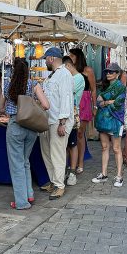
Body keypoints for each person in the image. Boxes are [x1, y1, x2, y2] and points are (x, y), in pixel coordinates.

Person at [0, 59, 50, 210]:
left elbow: (1, 108)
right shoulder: (33, 84)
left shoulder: (8, 85)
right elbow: (46, 105)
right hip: (31, 127)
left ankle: (22, 202)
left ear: (13, 70)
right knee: (24, 161)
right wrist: (34, 106)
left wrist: (7, 109)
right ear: (28, 70)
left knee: (17, 165)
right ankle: (29, 194)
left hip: (15, 125)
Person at [39, 47, 74, 200]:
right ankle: (54, 181)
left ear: (51, 58)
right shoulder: (52, 76)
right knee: (47, 153)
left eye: (45, 58)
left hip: (58, 121)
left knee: (57, 153)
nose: (45, 61)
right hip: (47, 120)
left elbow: (66, 98)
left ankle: (60, 185)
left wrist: (63, 122)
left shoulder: (64, 74)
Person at [91, 63, 126, 187]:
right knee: (105, 147)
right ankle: (104, 174)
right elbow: (99, 102)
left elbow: (117, 103)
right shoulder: (104, 86)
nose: (109, 74)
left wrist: (104, 102)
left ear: (117, 74)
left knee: (116, 148)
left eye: (112, 72)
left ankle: (119, 176)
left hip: (116, 120)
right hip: (103, 122)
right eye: (107, 72)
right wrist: (107, 102)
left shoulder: (121, 86)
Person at [68, 48, 97, 174]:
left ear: (78, 57)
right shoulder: (69, 70)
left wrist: (94, 106)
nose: (70, 58)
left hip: (84, 102)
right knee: (72, 133)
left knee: (80, 133)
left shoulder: (87, 70)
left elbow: (93, 89)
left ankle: (80, 162)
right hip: (72, 102)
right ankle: (72, 162)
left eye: (72, 56)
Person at [63, 56, 85, 181]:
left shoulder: (78, 78)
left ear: (69, 66)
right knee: (66, 145)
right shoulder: (71, 77)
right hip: (66, 112)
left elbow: (68, 92)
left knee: (72, 144)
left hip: (72, 112)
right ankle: (66, 169)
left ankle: (72, 172)